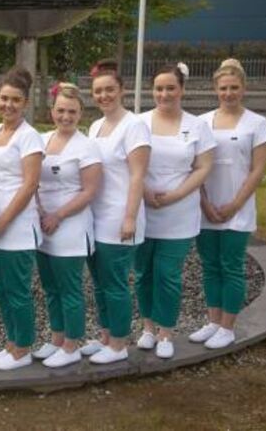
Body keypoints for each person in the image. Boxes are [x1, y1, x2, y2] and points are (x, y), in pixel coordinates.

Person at [190, 59, 266, 349]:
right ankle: (213, 322)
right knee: (210, 265)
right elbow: (195, 166)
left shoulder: (257, 124)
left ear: (244, 88)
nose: (228, 93)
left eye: (234, 87)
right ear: (215, 89)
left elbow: (257, 170)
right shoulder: (201, 123)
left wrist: (235, 204)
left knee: (232, 266)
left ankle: (227, 327)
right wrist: (204, 203)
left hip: (238, 209)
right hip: (206, 208)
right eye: (223, 88)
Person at [136, 63, 216, 359]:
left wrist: (176, 195)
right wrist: (145, 192)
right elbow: (128, 163)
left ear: (181, 89)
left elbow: (204, 166)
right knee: (143, 272)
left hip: (179, 213)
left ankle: (166, 332)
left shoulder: (197, 127)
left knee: (168, 275)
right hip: (143, 210)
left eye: (171, 88)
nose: (164, 94)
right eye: (159, 88)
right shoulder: (138, 123)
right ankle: (147, 328)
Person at [0, 67, 44, 371]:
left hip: (17, 226)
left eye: (15, 100)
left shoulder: (30, 137)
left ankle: (23, 348)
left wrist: (2, 221)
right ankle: (11, 343)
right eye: (4, 98)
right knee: (1, 289)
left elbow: (30, 185)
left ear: (25, 103)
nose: (8, 105)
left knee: (17, 290)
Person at [83, 59, 151, 364]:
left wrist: (130, 217)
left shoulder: (134, 126)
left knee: (115, 283)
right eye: (98, 91)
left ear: (122, 90)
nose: (104, 96)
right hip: (94, 215)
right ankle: (106, 335)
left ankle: (120, 344)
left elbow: (137, 175)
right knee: (99, 281)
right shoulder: (95, 126)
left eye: (109, 89)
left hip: (118, 216)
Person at [34, 83, 102, 368]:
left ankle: (72, 345)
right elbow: (31, 179)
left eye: (72, 112)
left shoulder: (87, 146)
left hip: (71, 226)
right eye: (61, 110)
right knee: (50, 287)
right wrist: (40, 210)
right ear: (52, 111)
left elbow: (89, 191)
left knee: (69, 289)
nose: (65, 116)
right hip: (42, 224)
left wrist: (57, 215)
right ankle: (57, 338)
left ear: (80, 113)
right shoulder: (41, 140)